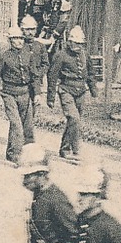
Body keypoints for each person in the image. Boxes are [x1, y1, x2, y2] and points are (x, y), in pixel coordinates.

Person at [52, 26, 97, 162]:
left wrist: (93, 89)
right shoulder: (61, 55)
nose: (76, 46)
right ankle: (74, 149)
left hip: (81, 91)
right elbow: (53, 75)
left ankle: (64, 148)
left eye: (79, 44)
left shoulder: (84, 54)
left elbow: (90, 73)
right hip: (66, 89)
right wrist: (50, 97)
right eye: (74, 43)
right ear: (69, 42)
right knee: (74, 118)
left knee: (74, 121)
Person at [0, 26, 36, 163]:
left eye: (21, 38)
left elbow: (34, 75)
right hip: (9, 93)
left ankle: (17, 152)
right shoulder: (4, 56)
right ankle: (16, 154)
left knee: (27, 126)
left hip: (25, 93)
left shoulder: (28, 55)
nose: (19, 41)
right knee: (16, 124)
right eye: (15, 38)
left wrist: (37, 93)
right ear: (10, 40)